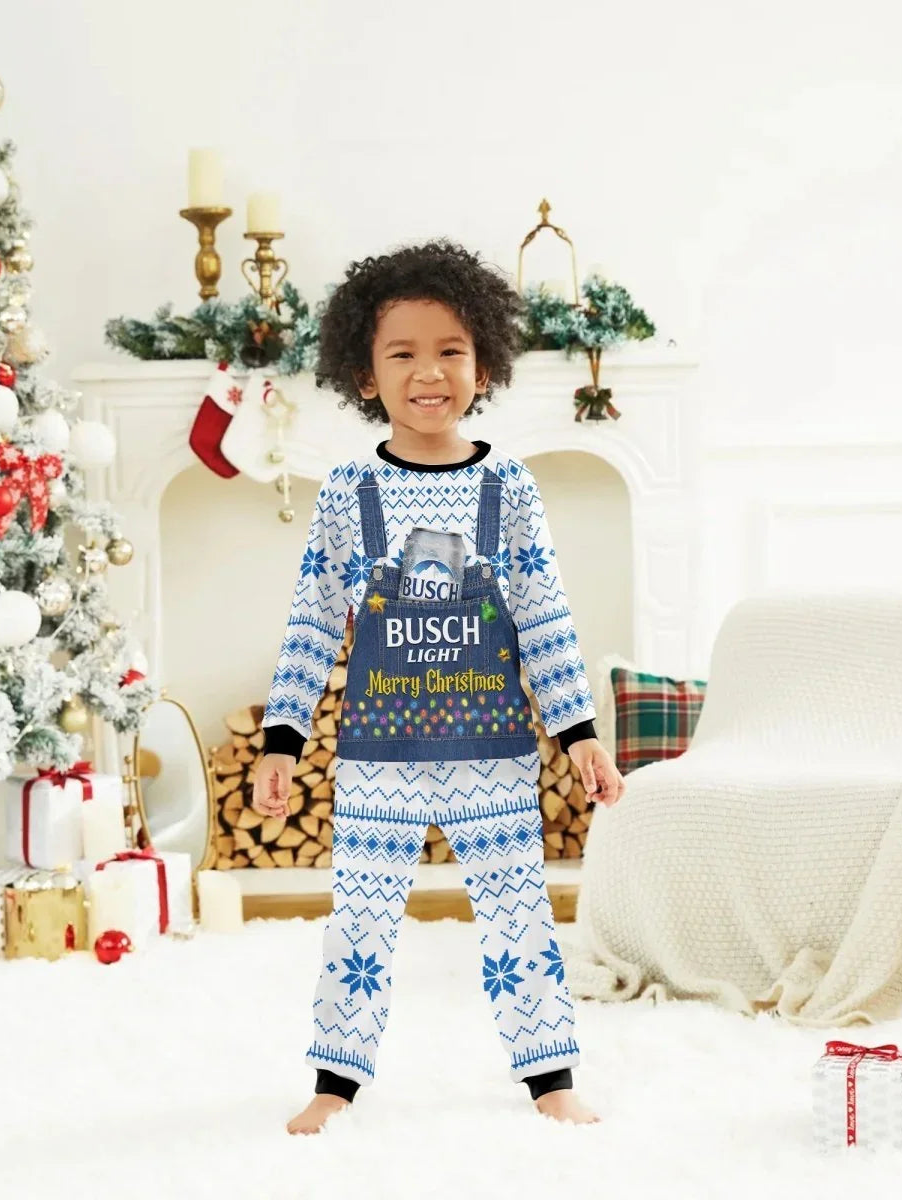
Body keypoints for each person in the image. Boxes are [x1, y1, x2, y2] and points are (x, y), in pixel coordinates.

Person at [253, 240, 625, 1135]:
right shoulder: (348, 492)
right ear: (363, 373)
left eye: (451, 350)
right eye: (403, 353)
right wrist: (280, 740)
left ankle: (551, 1078)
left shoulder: (510, 488)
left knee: (518, 917)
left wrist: (580, 735)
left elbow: (543, 617)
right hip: (377, 758)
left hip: (491, 752)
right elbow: (311, 619)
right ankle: (334, 1082)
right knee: (361, 925)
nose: (429, 373)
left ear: (485, 362)